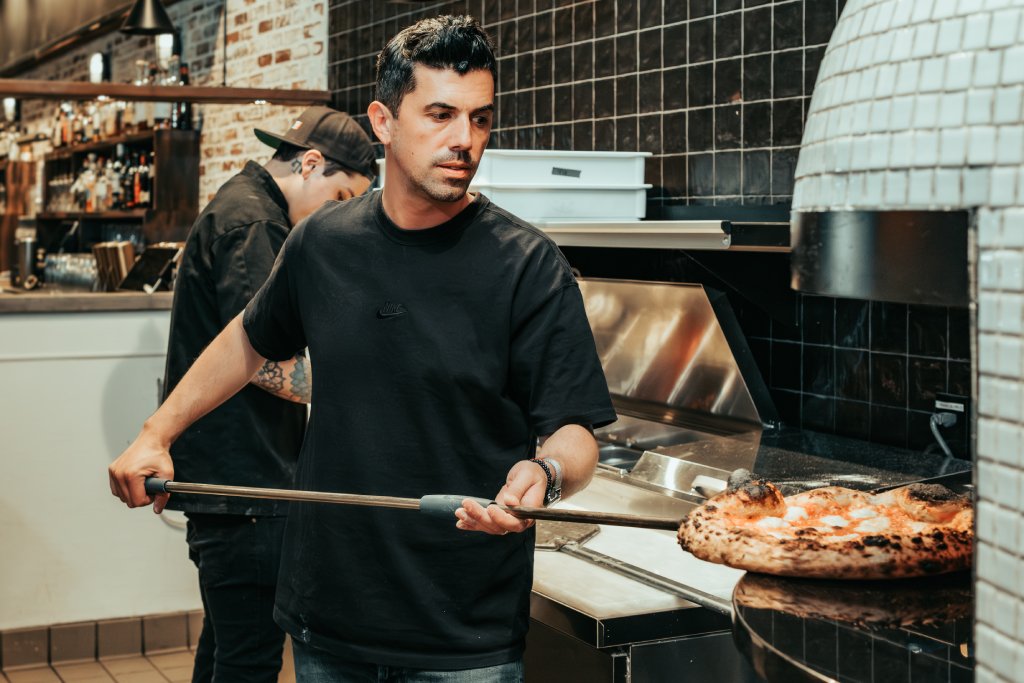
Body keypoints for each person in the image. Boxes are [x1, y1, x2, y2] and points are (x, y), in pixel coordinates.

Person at [109, 15, 616, 683]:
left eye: (480, 119)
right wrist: (156, 431)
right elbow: (246, 340)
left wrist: (546, 474)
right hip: (330, 615)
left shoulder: (529, 264)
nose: (464, 140)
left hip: (462, 629)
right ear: (383, 120)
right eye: (439, 114)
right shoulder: (323, 243)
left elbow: (575, 432)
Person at [157, 106, 376, 683]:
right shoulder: (256, 225)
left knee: (227, 647)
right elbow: (262, 361)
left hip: (233, 479)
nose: (341, 216)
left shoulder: (243, 205)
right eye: (340, 198)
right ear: (309, 164)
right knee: (250, 658)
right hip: (247, 483)